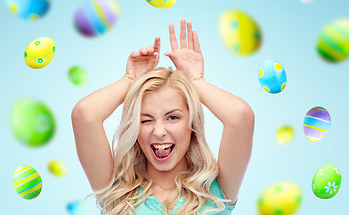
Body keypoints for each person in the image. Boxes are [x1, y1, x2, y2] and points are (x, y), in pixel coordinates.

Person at [71, 19, 254, 215]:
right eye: (145, 120)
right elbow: (85, 114)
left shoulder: (215, 191)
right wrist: (130, 80)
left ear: (191, 122)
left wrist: (195, 81)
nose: (159, 132)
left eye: (172, 118)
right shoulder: (117, 193)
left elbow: (240, 117)